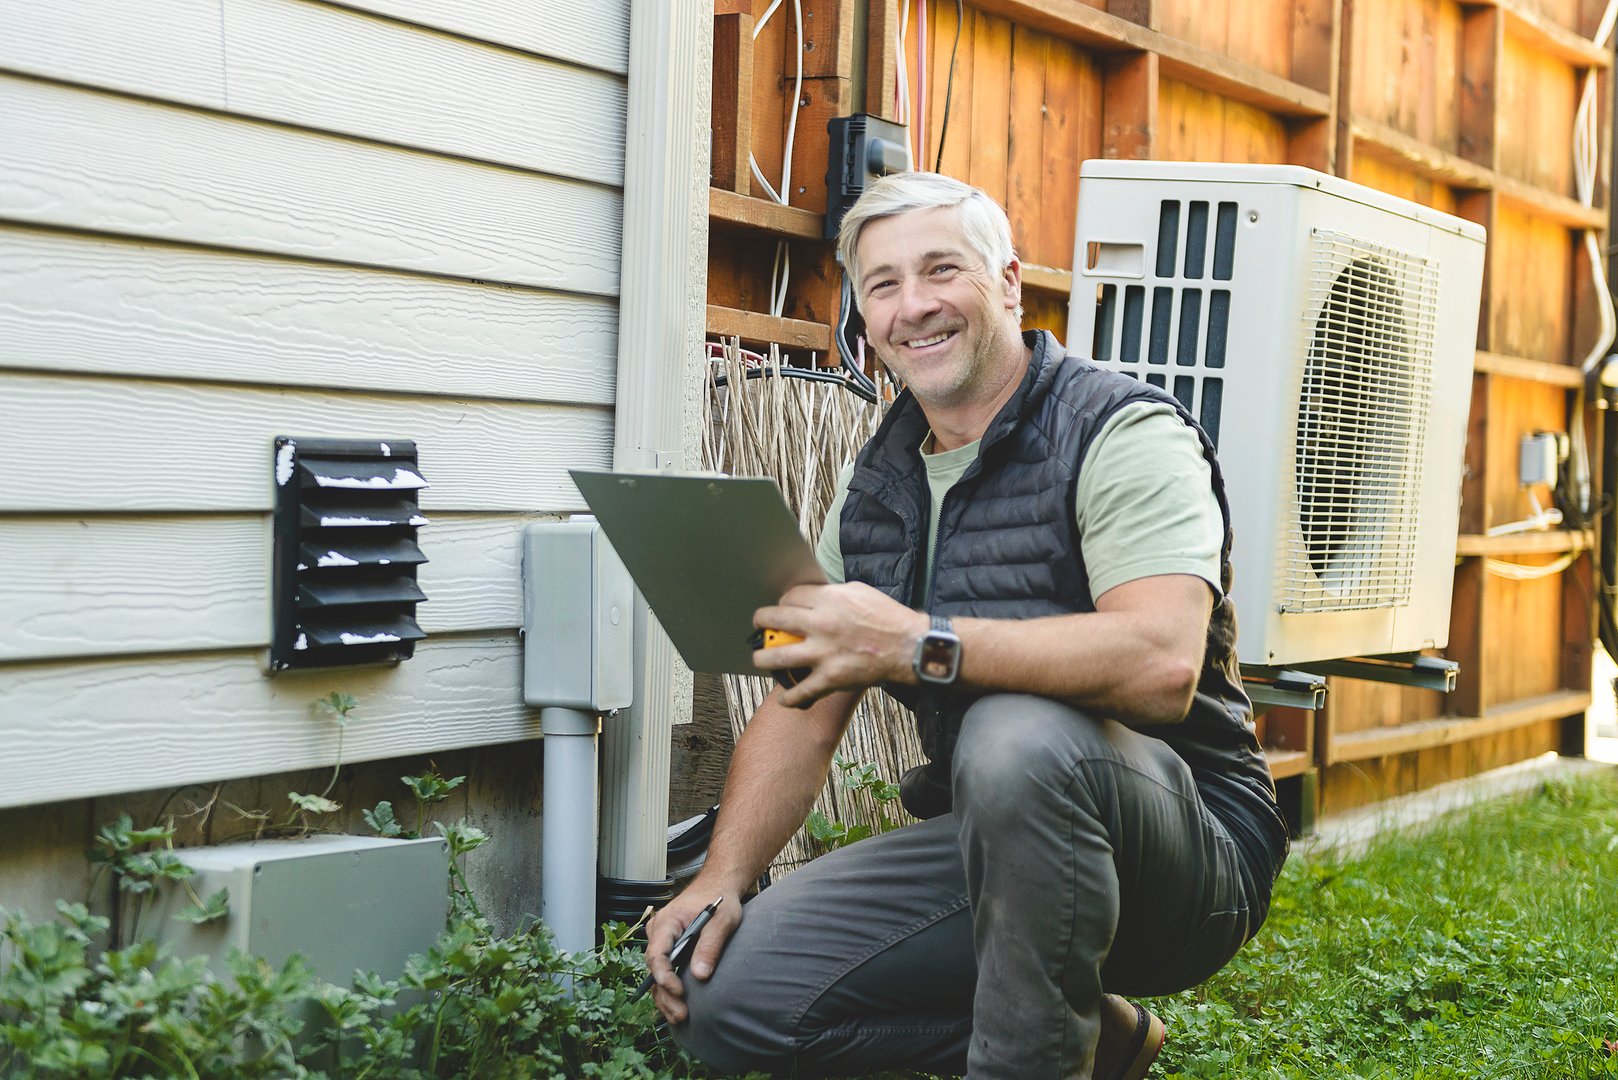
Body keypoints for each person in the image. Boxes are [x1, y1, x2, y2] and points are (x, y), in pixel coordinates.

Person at [644, 171, 1289, 1079]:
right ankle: (1104, 1043)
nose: (914, 306)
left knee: (1015, 730)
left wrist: (917, 642)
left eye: (942, 270)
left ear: (1009, 283)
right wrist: (722, 876)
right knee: (730, 1000)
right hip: (997, 844)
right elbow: (803, 699)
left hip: (1185, 861)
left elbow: (1161, 660)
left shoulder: (1120, 431)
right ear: (863, 320)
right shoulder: (877, 488)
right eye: (884, 285)